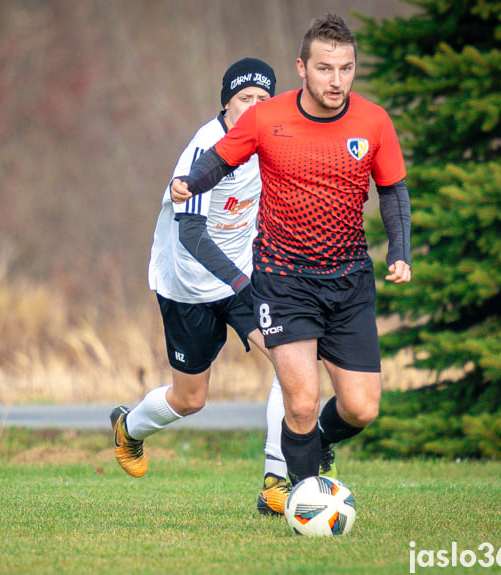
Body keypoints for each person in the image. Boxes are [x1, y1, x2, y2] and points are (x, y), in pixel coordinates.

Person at [171, 13, 412, 515]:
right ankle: (305, 503)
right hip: (284, 278)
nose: (337, 80)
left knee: (362, 407)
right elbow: (220, 157)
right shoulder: (267, 118)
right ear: (301, 68)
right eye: (325, 68)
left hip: (349, 280)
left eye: (346, 68)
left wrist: (401, 251)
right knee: (299, 402)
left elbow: (393, 192)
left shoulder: (373, 121)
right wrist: (192, 183)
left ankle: (318, 441)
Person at [110, 58, 280, 482]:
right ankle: (128, 429)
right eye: (245, 99)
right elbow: (192, 235)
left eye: (264, 99)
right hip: (189, 286)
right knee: (190, 399)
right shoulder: (205, 150)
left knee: (292, 364)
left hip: (243, 279)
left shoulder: (272, 141)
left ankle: (278, 480)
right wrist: (242, 282)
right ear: (226, 103)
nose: (255, 107)